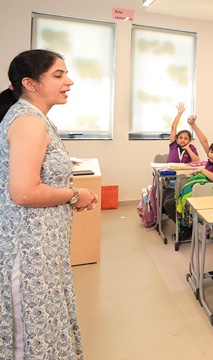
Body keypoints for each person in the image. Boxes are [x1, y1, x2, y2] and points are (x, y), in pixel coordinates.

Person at [0, 49, 98, 359]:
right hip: (28, 252)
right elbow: (24, 192)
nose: (69, 81)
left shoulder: (36, 119)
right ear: (30, 83)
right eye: (58, 75)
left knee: (44, 325)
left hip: (44, 250)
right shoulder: (28, 122)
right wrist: (74, 194)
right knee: (28, 334)